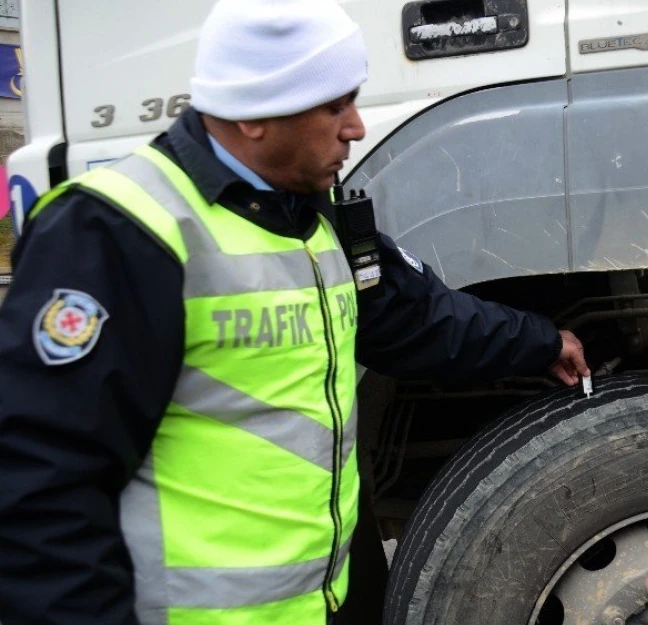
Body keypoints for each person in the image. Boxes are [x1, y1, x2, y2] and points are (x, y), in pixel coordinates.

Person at [0, 1, 589, 624]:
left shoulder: (307, 213)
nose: (356, 127)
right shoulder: (116, 230)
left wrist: (538, 341)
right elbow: (44, 488)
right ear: (256, 115)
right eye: (335, 105)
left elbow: (408, 316)